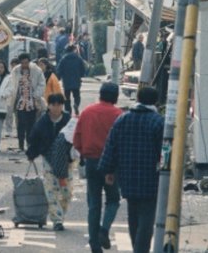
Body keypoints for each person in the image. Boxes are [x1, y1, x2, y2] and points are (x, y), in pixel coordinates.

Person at [98, 87, 164, 253]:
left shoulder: (123, 119)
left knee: (133, 215)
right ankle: (140, 250)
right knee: (146, 219)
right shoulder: (158, 122)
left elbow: (111, 146)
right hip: (150, 178)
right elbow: (164, 153)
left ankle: (137, 247)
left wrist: (108, 170)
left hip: (127, 176)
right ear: (155, 101)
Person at [73, 83, 123, 253]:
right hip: (111, 164)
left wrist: (84, 153)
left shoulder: (87, 112)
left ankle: (94, 243)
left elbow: (77, 139)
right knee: (113, 200)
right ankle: (104, 229)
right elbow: (121, 143)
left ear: (100, 94)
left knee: (94, 204)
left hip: (91, 162)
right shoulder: (118, 115)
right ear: (115, 97)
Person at [26, 93, 72, 231]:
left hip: (67, 161)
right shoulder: (43, 121)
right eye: (53, 105)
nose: (56, 108)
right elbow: (34, 138)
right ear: (49, 105)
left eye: (59, 104)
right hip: (48, 159)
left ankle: (61, 214)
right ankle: (57, 220)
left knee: (66, 192)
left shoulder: (68, 121)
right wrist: (31, 154)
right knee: (50, 190)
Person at [4, 53, 46, 151]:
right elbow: (11, 84)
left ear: (29, 61)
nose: (24, 65)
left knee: (31, 125)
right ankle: (21, 144)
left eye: (26, 62)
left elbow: (42, 84)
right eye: (22, 63)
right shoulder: (15, 71)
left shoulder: (37, 70)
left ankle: (29, 143)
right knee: (20, 125)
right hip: (20, 103)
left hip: (32, 102)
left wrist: (36, 95)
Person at [56, 44, 85, 115]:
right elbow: (83, 69)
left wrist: (58, 78)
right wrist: (81, 75)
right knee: (77, 96)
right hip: (76, 81)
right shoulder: (78, 58)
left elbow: (59, 70)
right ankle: (76, 104)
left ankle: (68, 111)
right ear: (73, 50)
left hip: (66, 82)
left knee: (67, 98)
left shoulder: (63, 59)